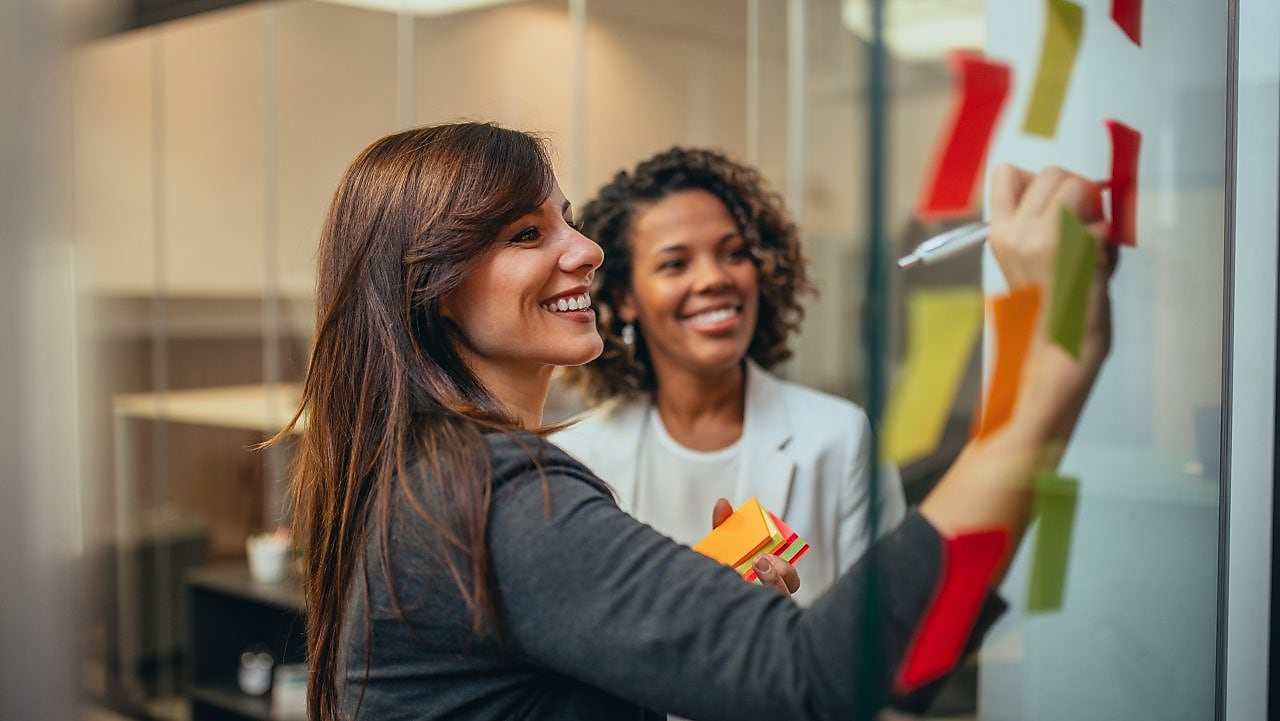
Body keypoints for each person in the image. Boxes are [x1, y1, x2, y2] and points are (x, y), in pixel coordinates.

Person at [276, 121, 1115, 721]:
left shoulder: (437, 476)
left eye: (566, 218)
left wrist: (703, 630)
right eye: (528, 232)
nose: (584, 250)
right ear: (437, 286)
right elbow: (817, 678)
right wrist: (1046, 376)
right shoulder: (496, 492)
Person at [552, 148, 905, 606]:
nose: (715, 278)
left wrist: (775, 628)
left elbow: (892, 633)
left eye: (734, 253)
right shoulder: (576, 456)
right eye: (675, 264)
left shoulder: (838, 437)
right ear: (624, 299)